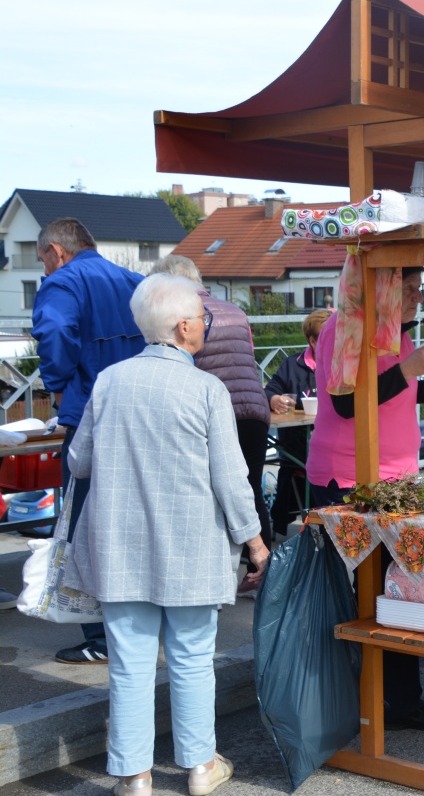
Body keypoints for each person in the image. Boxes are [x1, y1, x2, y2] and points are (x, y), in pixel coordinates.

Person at [63, 274, 269, 796]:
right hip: (192, 549)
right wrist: (254, 540)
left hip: (120, 548)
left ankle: (134, 776)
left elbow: (79, 461)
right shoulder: (206, 388)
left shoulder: (109, 381)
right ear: (183, 327)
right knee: (192, 657)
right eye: (202, 318)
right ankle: (200, 767)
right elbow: (230, 477)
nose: (205, 324)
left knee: (129, 664)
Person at [308, 266, 424, 731]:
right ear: (383, 290)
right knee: (371, 595)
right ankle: (373, 703)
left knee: (398, 585)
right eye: (409, 289)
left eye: (420, 288)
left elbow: (389, 391)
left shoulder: (394, 330)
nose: (419, 297)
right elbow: (345, 403)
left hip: (394, 479)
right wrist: (411, 371)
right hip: (351, 479)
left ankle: (398, 700)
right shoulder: (345, 327)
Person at [32, 217, 145, 666]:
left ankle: (99, 634)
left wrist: (58, 385)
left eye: (43, 261)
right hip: (141, 415)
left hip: (91, 417)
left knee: (83, 525)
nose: (44, 271)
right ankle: (136, 623)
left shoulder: (62, 283)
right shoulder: (136, 280)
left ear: (57, 252)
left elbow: (55, 332)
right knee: (135, 522)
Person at [152, 256, 272, 598]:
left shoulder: (181, 317)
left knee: (211, 495)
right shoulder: (234, 310)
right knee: (249, 489)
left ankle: (214, 579)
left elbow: (185, 365)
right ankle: (261, 571)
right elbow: (248, 355)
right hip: (254, 408)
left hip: (212, 411)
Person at [263, 309, 332, 539]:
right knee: (294, 465)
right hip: (296, 449)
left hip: (332, 449)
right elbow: (269, 391)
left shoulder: (343, 365)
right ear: (312, 341)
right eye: (328, 337)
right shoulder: (293, 365)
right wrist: (274, 400)